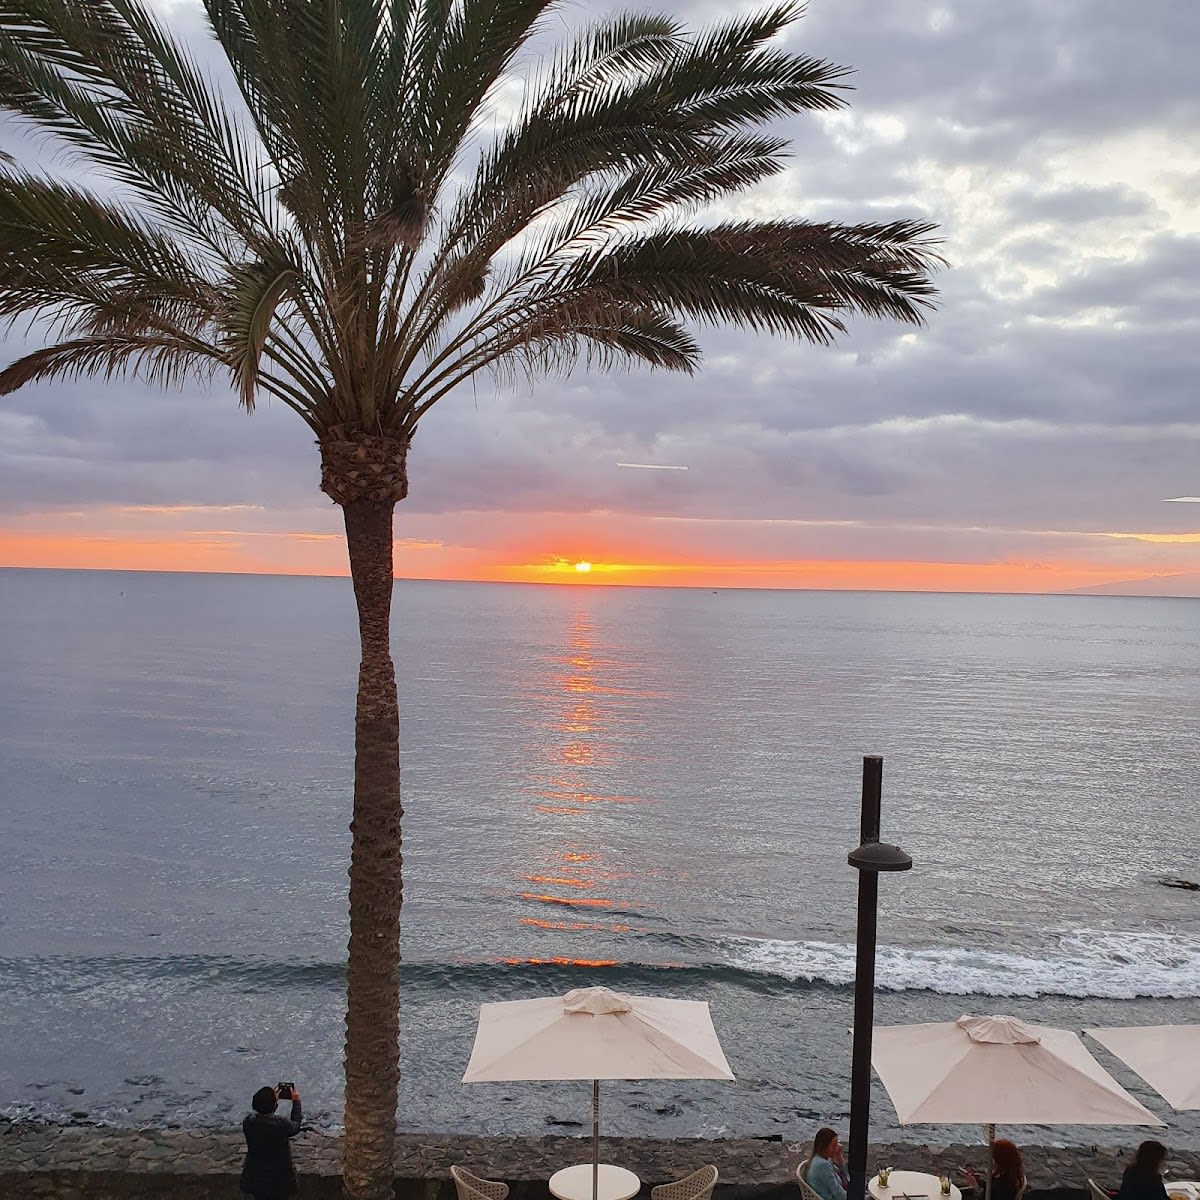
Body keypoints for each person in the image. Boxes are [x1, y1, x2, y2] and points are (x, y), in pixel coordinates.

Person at [240, 1083, 303, 1200]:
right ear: (273, 1104)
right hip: (280, 1178)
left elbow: (265, 1118)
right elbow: (295, 1126)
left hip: (256, 1176)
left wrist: (272, 1102)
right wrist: (296, 1101)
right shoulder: (281, 1124)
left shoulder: (248, 1123)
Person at [806, 1127, 847, 1200]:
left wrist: (839, 1157)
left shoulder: (825, 1159)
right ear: (823, 1147)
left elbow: (844, 1177)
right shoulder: (822, 1165)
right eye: (833, 1146)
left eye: (837, 1144)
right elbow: (838, 1194)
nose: (837, 1148)